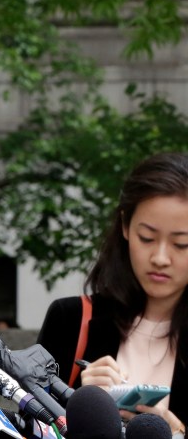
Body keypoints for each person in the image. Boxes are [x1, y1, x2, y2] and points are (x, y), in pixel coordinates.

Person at [38, 153, 188, 436]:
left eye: (182, 244)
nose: (160, 257)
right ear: (125, 226)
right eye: (147, 238)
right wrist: (80, 398)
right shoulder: (70, 320)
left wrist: (175, 430)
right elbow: (30, 423)